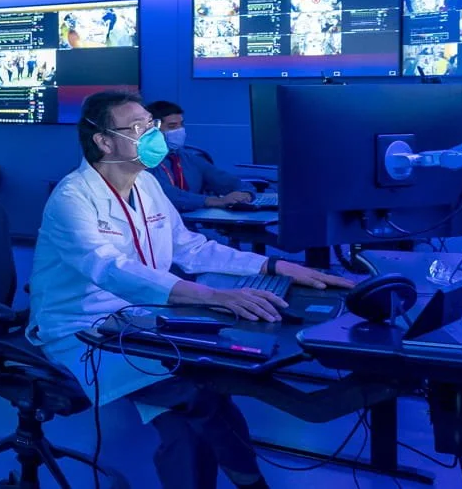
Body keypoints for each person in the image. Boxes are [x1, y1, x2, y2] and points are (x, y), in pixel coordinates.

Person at [30, 91, 354, 489]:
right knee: (196, 401)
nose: (153, 135)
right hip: (84, 330)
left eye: (151, 125)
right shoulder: (72, 197)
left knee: (207, 392)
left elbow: (191, 248)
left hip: (142, 319)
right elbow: (111, 269)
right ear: (104, 141)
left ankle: (251, 484)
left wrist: (275, 265)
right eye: (138, 128)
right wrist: (213, 296)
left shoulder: (147, 184)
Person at [143, 101, 256, 212]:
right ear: (153, 130)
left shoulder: (188, 157)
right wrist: (214, 201)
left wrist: (245, 194)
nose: (179, 130)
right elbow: (165, 195)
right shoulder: (142, 161)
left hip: (189, 226)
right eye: (172, 126)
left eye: (181, 125)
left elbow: (229, 181)